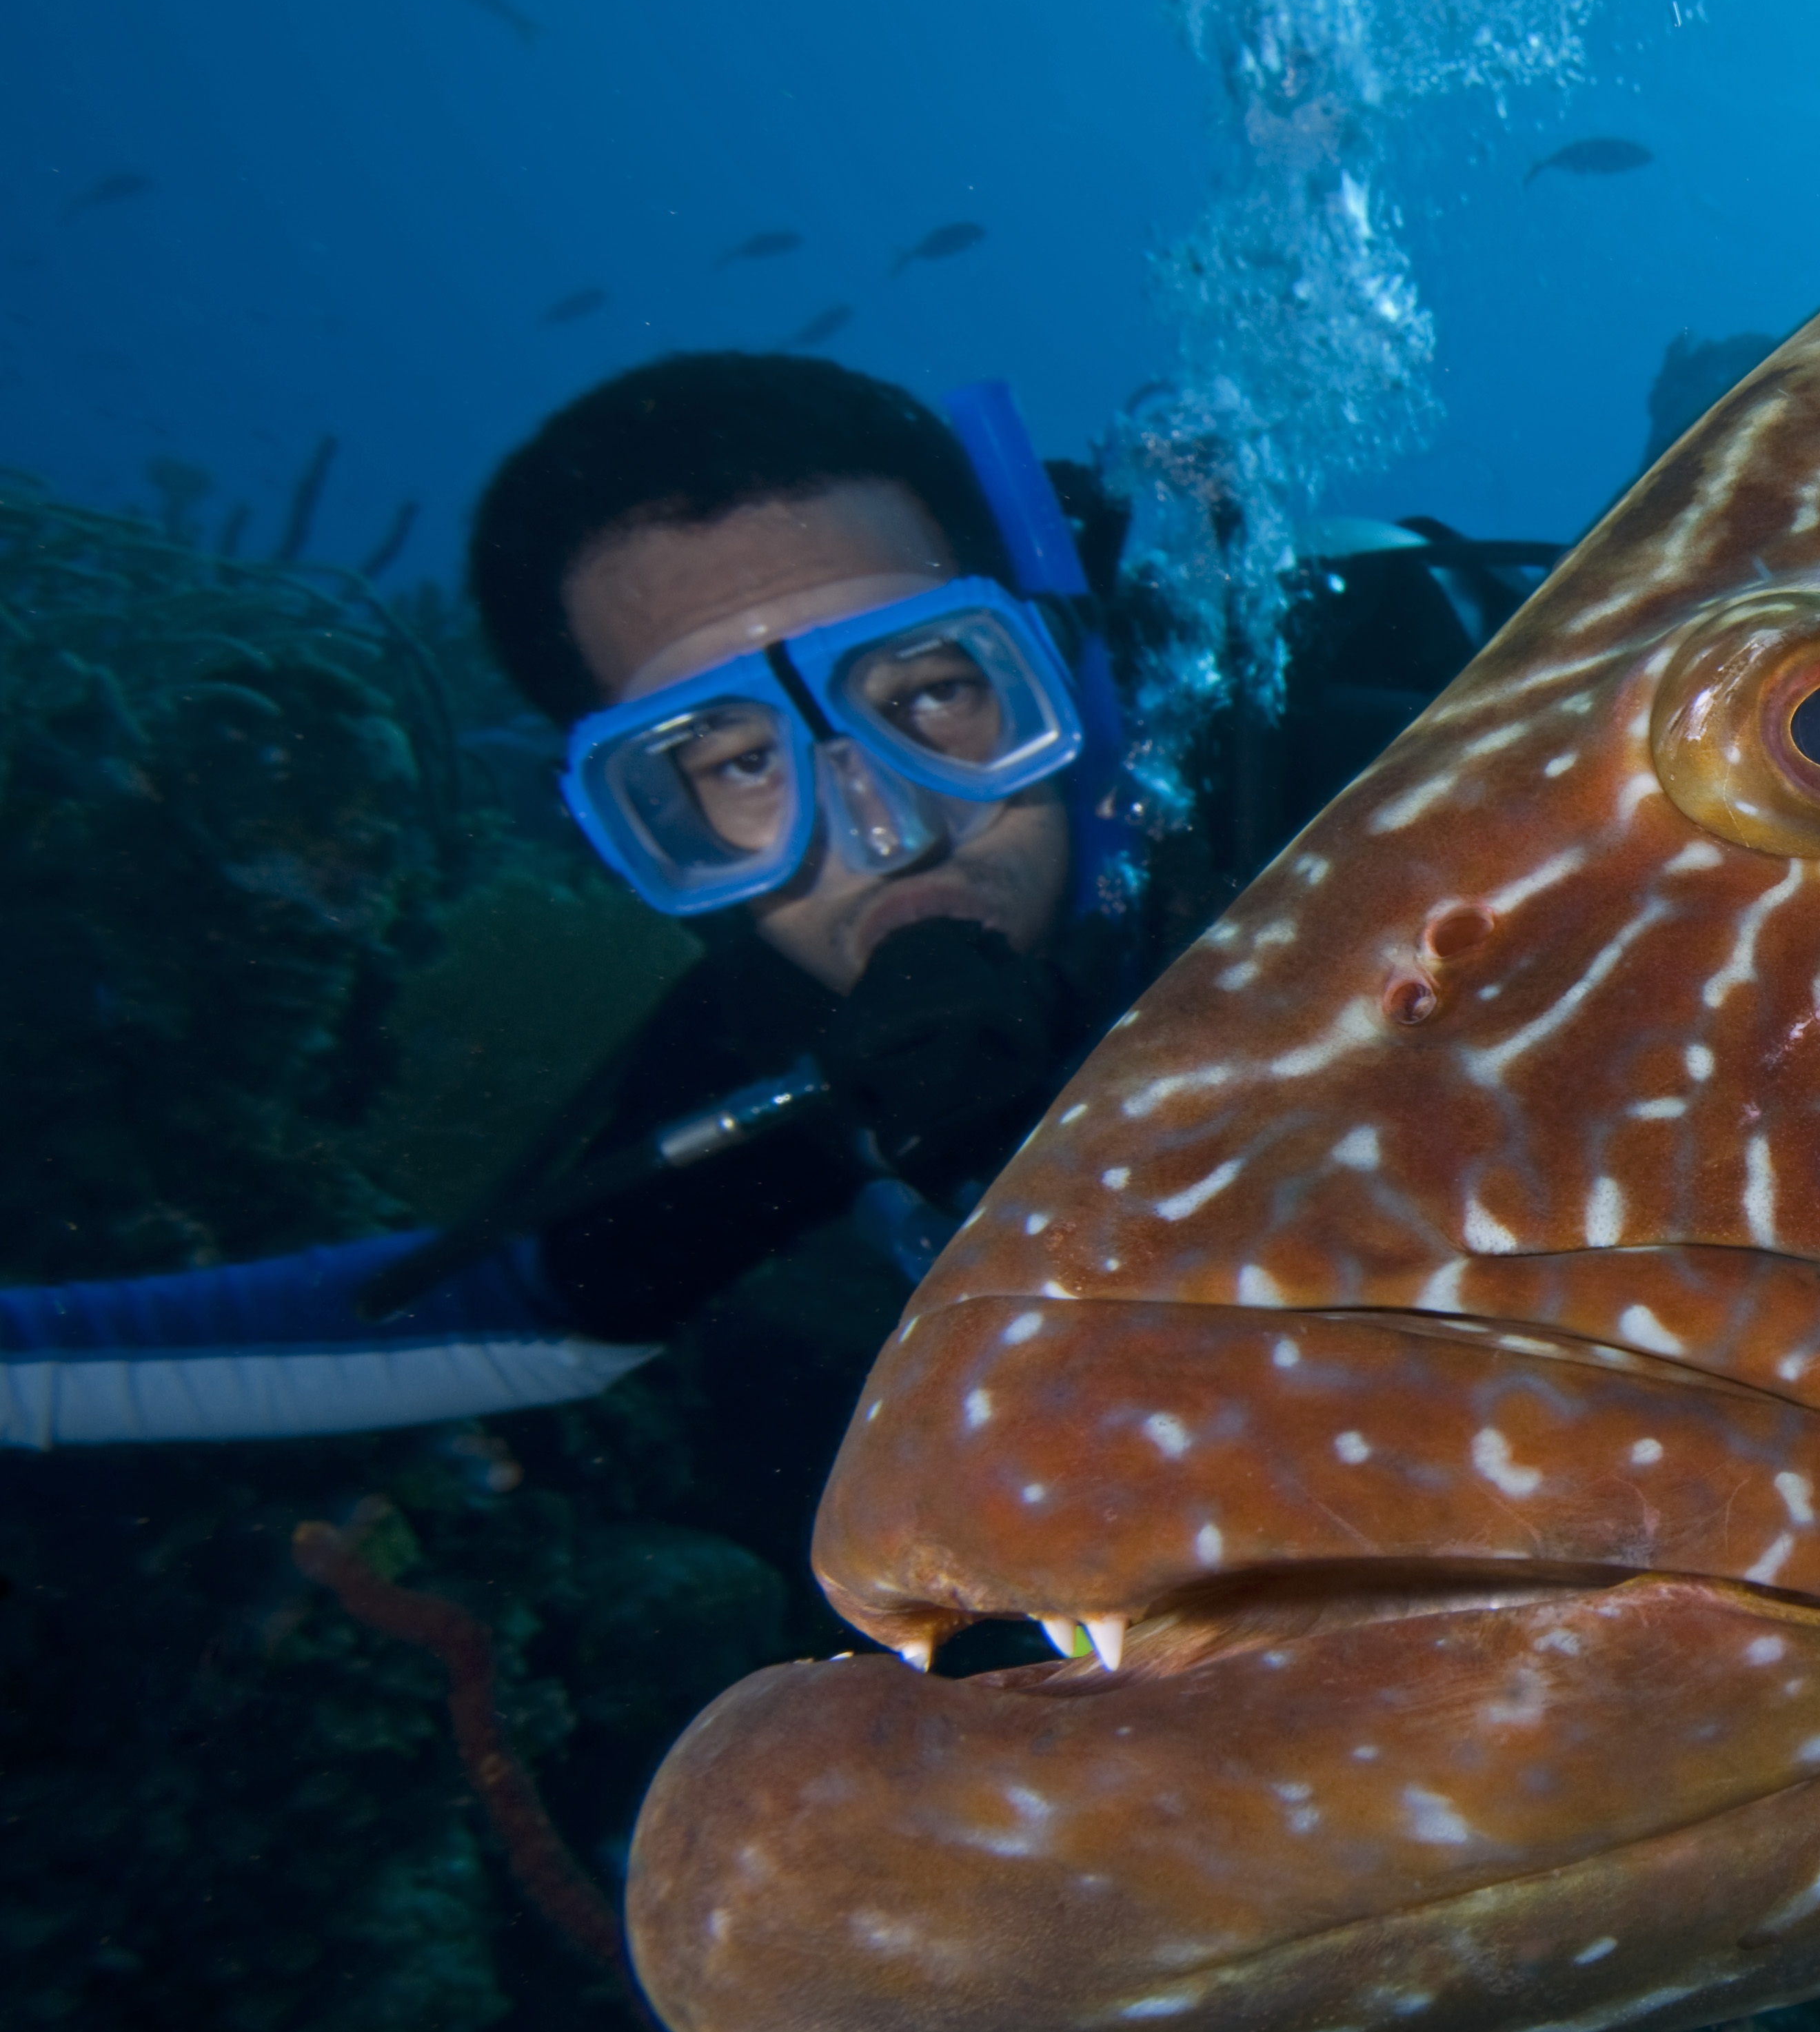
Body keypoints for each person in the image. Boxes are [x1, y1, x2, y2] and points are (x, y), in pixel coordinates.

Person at [3, 356, 1175, 1460]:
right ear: (649, 832)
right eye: (739, 767)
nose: (891, 830)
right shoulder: (762, 1068)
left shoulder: (1298, 792)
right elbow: (507, 1311)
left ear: (1053, 669)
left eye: (933, 693)